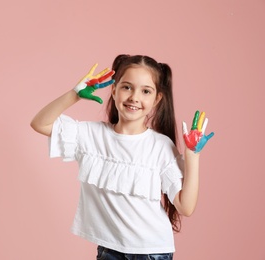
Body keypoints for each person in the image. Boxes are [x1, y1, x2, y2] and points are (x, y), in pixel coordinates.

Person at [30, 54, 214, 260]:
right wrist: (74, 95)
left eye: (146, 91)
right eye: (127, 87)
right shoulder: (91, 135)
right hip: (110, 250)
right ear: (114, 90)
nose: (134, 97)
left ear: (157, 99)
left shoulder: (161, 146)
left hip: (152, 251)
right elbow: (40, 124)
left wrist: (193, 155)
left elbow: (185, 207)